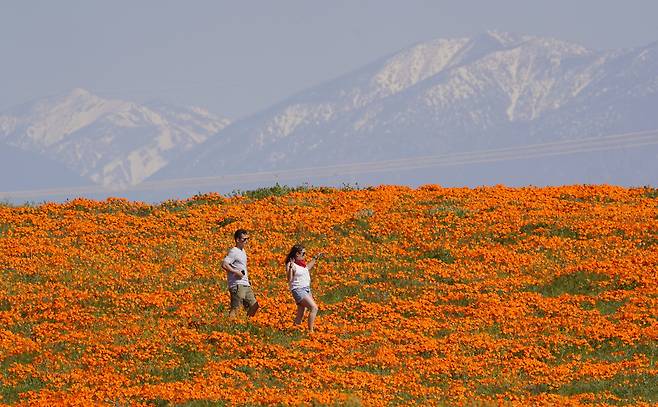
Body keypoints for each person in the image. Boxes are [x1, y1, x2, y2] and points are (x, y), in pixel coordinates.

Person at [285, 244, 323, 333]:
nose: (305, 255)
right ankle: (311, 331)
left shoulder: (302, 264)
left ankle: (293, 331)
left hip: (306, 289)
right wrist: (290, 268)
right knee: (314, 308)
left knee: (300, 314)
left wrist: (315, 258)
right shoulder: (291, 264)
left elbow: (308, 268)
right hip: (298, 290)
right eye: (304, 253)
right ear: (297, 254)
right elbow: (289, 280)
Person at [222, 229, 259, 318]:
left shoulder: (243, 251)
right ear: (237, 240)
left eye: (247, 239)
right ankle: (231, 326)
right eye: (244, 239)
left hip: (245, 284)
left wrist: (247, 280)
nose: (246, 241)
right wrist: (236, 272)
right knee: (236, 308)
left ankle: (245, 322)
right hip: (237, 284)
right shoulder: (234, 251)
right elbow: (224, 264)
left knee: (254, 305)